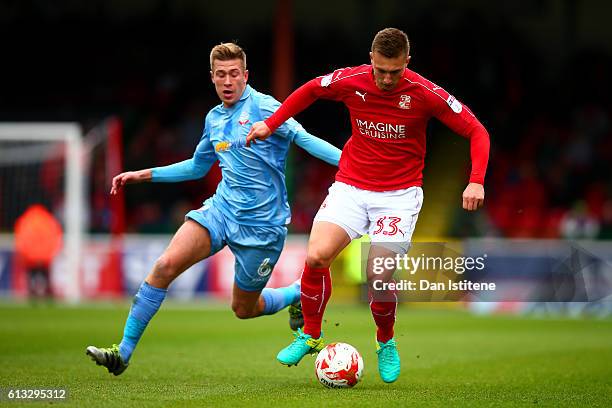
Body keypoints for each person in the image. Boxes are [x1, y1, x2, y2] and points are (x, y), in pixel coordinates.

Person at [246, 28, 490, 383]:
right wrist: (271, 124)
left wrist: (477, 178)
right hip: (351, 187)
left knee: (378, 276)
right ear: (371, 60)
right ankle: (311, 335)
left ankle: (385, 341)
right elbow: (311, 89)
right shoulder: (352, 79)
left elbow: (477, 130)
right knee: (315, 257)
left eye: (395, 71)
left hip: (399, 196)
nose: (387, 79)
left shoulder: (424, 93)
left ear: (407, 61)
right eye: (380, 71)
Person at [86, 42, 342, 376]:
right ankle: (123, 353)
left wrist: (354, 166)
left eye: (234, 74)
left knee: (243, 309)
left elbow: (306, 140)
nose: (228, 81)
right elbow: (196, 167)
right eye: (221, 75)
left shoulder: (266, 107)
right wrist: (144, 174)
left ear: (245, 75)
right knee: (164, 266)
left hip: (262, 229)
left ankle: (295, 293)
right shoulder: (214, 119)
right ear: (212, 78)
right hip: (219, 213)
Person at [14, 204, 63, 300]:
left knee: (32, 274)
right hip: (45, 256)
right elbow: (55, 237)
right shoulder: (48, 220)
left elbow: (21, 239)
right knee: (45, 275)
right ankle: (48, 292)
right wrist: (50, 253)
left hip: (30, 257)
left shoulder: (26, 221)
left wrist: (25, 253)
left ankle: (32, 291)